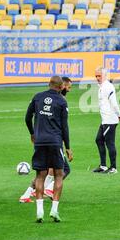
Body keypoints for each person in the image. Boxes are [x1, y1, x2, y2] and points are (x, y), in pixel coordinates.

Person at [25, 76, 72, 222]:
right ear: (61, 87)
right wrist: (68, 148)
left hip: (40, 142)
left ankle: (39, 212)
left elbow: (27, 117)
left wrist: (33, 133)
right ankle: (54, 210)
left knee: (41, 175)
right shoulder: (61, 101)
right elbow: (64, 126)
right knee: (59, 174)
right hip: (55, 142)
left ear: (49, 84)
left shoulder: (37, 97)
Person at [92, 67, 120, 174]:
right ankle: (103, 166)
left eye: (99, 76)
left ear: (105, 76)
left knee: (109, 143)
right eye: (96, 76)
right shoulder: (102, 86)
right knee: (99, 140)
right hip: (105, 120)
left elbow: (114, 102)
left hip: (110, 120)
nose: (97, 78)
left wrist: (119, 115)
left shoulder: (108, 87)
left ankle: (113, 167)